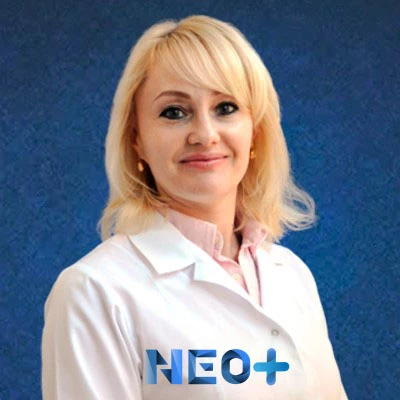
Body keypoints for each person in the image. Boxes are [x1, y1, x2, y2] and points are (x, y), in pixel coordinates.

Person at [41, 14, 348, 400]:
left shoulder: (292, 275)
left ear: (256, 133)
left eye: (226, 108)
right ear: (137, 140)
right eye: (174, 112)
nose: (204, 134)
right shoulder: (94, 292)